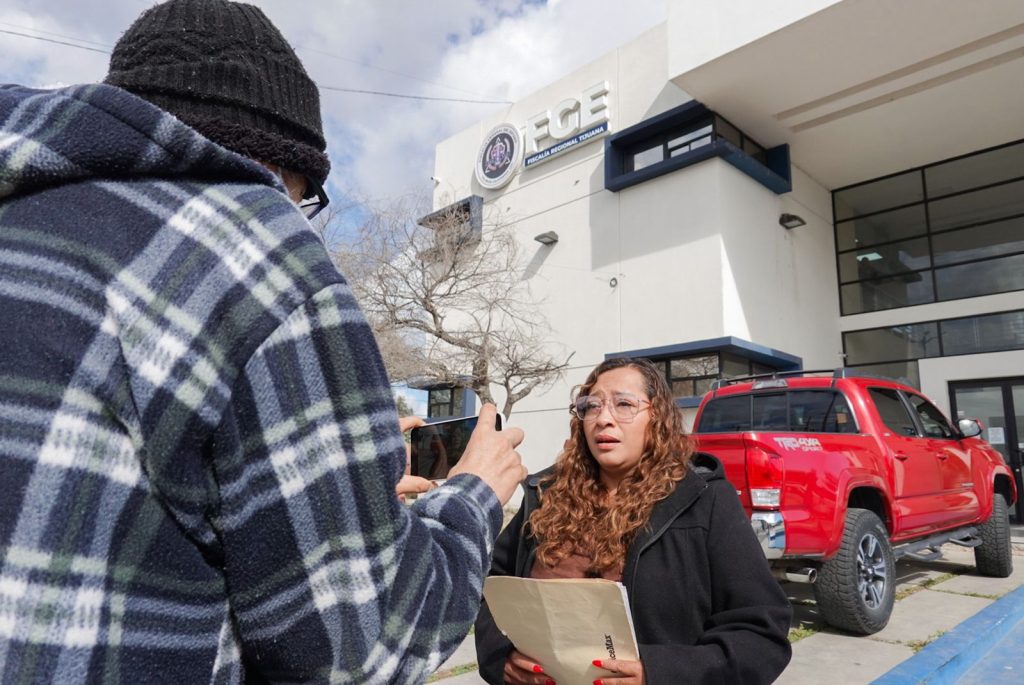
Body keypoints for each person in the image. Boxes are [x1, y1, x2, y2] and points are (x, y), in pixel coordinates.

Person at [0, 1, 526, 682]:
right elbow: (358, 646)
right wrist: (474, 494)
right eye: (306, 198)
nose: (301, 220)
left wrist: (334, 484)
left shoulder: (28, 212)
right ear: (273, 165)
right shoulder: (260, 251)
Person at [475, 357, 792, 684]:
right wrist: (501, 658)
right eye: (592, 406)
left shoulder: (704, 500)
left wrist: (657, 673)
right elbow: (490, 590)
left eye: (623, 404)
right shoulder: (544, 496)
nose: (604, 419)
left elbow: (761, 634)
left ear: (657, 416)